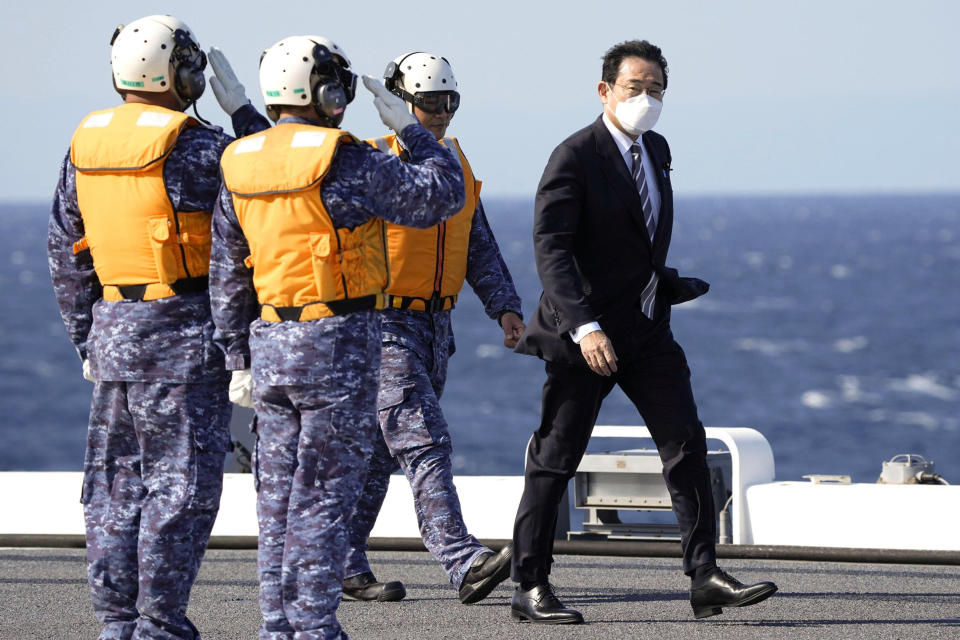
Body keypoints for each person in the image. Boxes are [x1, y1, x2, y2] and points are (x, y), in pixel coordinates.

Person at [510, 39, 778, 623]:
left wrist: (669, 281)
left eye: (657, 90)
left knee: (686, 445)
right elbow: (551, 249)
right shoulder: (573, 156)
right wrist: (584, 327)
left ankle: (704, 576)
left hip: (649, 330)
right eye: (636, 87)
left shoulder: (656, 149)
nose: (648, 99)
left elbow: (636, 237)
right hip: (587, 337)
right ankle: (528, 584)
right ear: (605, 90)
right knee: (557, 457)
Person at [209, 35, 465, 640]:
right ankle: (315, 627)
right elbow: (441, 193)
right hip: (338, 346)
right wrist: (411, 129)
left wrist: (234, 356)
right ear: (325, 92)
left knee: (276, 500)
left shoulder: (241, 159)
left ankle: (279, 625)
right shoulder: (348, 159)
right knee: (324, 493)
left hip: (269, 344)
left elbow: (227, 269)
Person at [47, 15, 259, 639]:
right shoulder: (202, 147)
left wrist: (85, 335)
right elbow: (269, 182)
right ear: (176, 71)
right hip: (186, 339)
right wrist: (245, 112)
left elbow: (65, 248)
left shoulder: (85, 143)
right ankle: (159, 624)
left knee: (113, 485)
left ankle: (117, 623)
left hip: (113, 334)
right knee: (181, 490)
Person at [339, 52, 524, 605]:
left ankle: (341, 565)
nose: (441, 113)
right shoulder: (376, 164)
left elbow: (478, 241)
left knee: (377, 451)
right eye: (429, 103)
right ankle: (463, 561)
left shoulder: (454, 164)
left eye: (451, 101)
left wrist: (505, 306)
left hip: (435, 326)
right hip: (385, 324)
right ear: (400, 102)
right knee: (423, 440)